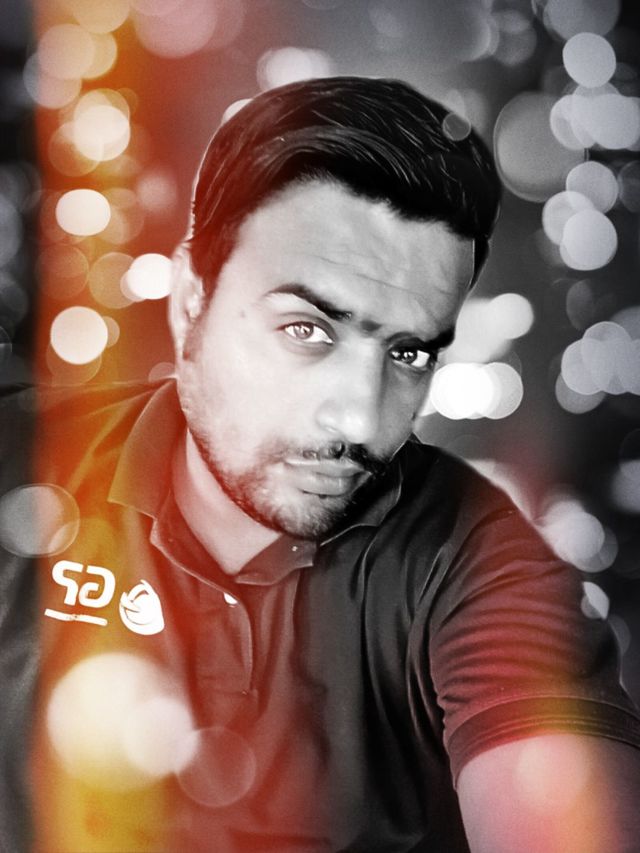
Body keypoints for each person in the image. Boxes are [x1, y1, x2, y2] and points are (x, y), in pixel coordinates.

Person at [2, 76, 640, 853]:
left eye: (408, 353)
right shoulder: (21, 467)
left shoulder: (476, 558)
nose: (361, 419)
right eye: (306, 330)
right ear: (190, 302)